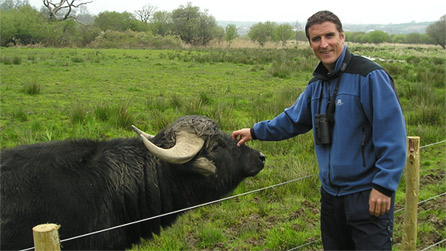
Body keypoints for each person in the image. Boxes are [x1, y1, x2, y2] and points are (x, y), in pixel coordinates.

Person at [232, 10, 407, 250]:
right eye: (316, 39)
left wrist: (384, 186)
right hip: (331, 197)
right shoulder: (317, 84)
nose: (324, 44)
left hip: (367, 195)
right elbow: (293, 120)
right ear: (310, 44)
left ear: (342, 36)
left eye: (329, 36)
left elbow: (392, 134)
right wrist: (254, 131)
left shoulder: (369, 75)